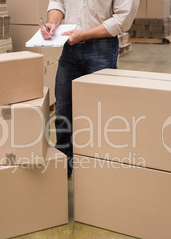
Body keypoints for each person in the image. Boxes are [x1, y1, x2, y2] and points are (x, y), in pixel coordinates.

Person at [41, 0, 139, 178]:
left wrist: (84, 34)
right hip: (69, 48)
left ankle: (96, 174)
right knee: (63, 110)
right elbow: (58, 2)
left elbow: (123, 18)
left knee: (99, 115)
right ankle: (64, 168)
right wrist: (52, 23)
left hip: (101, 49)